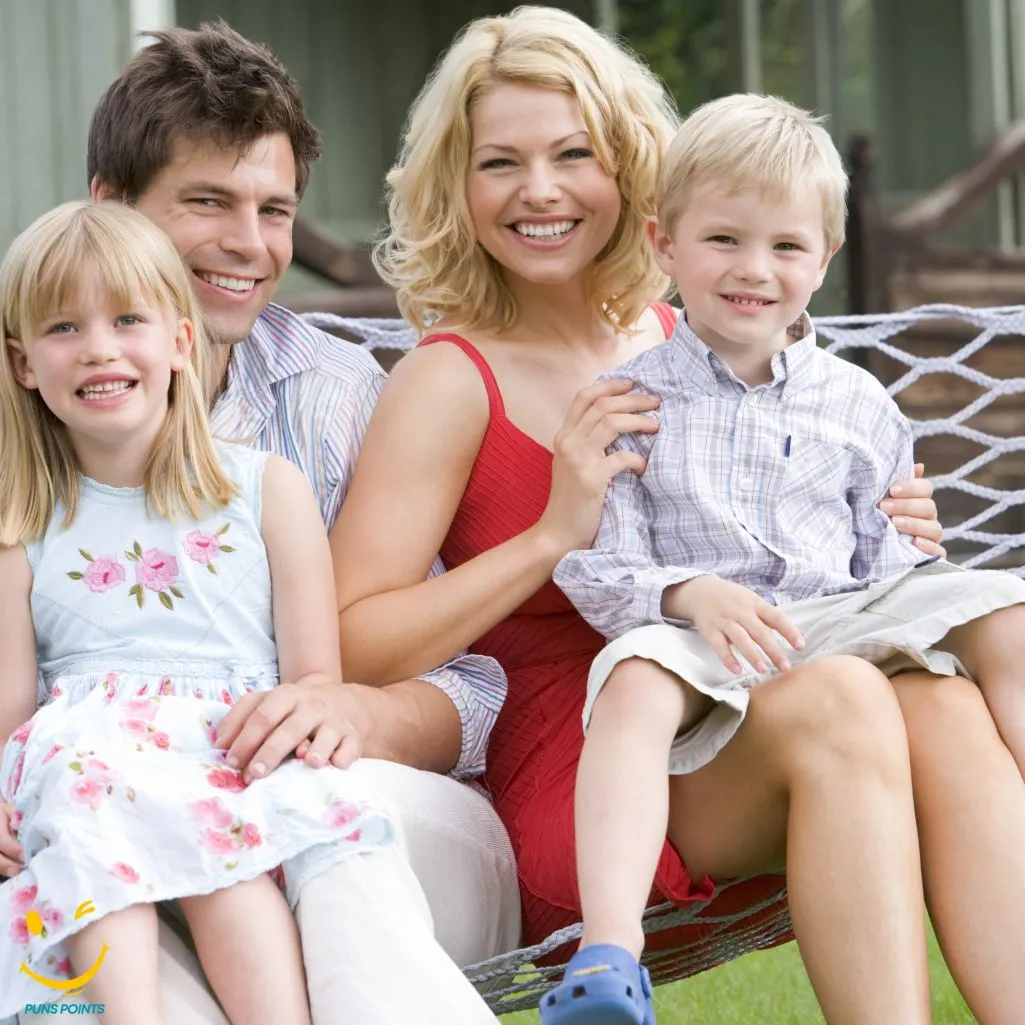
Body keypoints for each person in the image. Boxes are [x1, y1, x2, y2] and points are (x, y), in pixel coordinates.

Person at [332, 8, 960, 1025]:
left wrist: (884, 528)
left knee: (940, 700)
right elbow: (355, 639)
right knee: (844, 698)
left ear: (630, 171)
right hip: (587, 771)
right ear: (458, 185)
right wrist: (551, 530)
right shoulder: (450, 379)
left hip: (738, 691)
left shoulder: (690, 328)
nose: (538, 190)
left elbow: (796, 529)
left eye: (572, 153)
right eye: (499, 162)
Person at [550, 93, 1025, 1025]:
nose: (752, 270)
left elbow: (886, 564)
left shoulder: (858, 404)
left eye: (784, 247)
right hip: (701, 643)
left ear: (824, 259)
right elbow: (600, 570)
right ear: (663, 243)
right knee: (631, 681)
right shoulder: (626, 401)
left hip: (837, 619)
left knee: (1005, 605)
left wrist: (914, 560)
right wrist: (689, 593)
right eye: (722, 240)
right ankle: (607, 952)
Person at [76, 21, 516, 1025]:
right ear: (108, 205)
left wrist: (360, 715)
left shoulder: (338, 398)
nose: (249, 244)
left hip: (381, 828)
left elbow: (475, 690)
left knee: (308, 810)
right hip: (134, 843)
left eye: (273, 210)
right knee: (85, 916)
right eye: (207, 202)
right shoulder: (27, 415)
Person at [0, 201, 396, 1024]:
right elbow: (11, 709)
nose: (100, 348)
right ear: (25, 362)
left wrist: (294, 728)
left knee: (228, 866)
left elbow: (314, 676)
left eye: (127, 319)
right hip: (88, 765)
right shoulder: (19, 524)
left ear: (182, 341)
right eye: (64, 327)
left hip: (225, 749)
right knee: (87, 809)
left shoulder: (262, 488)